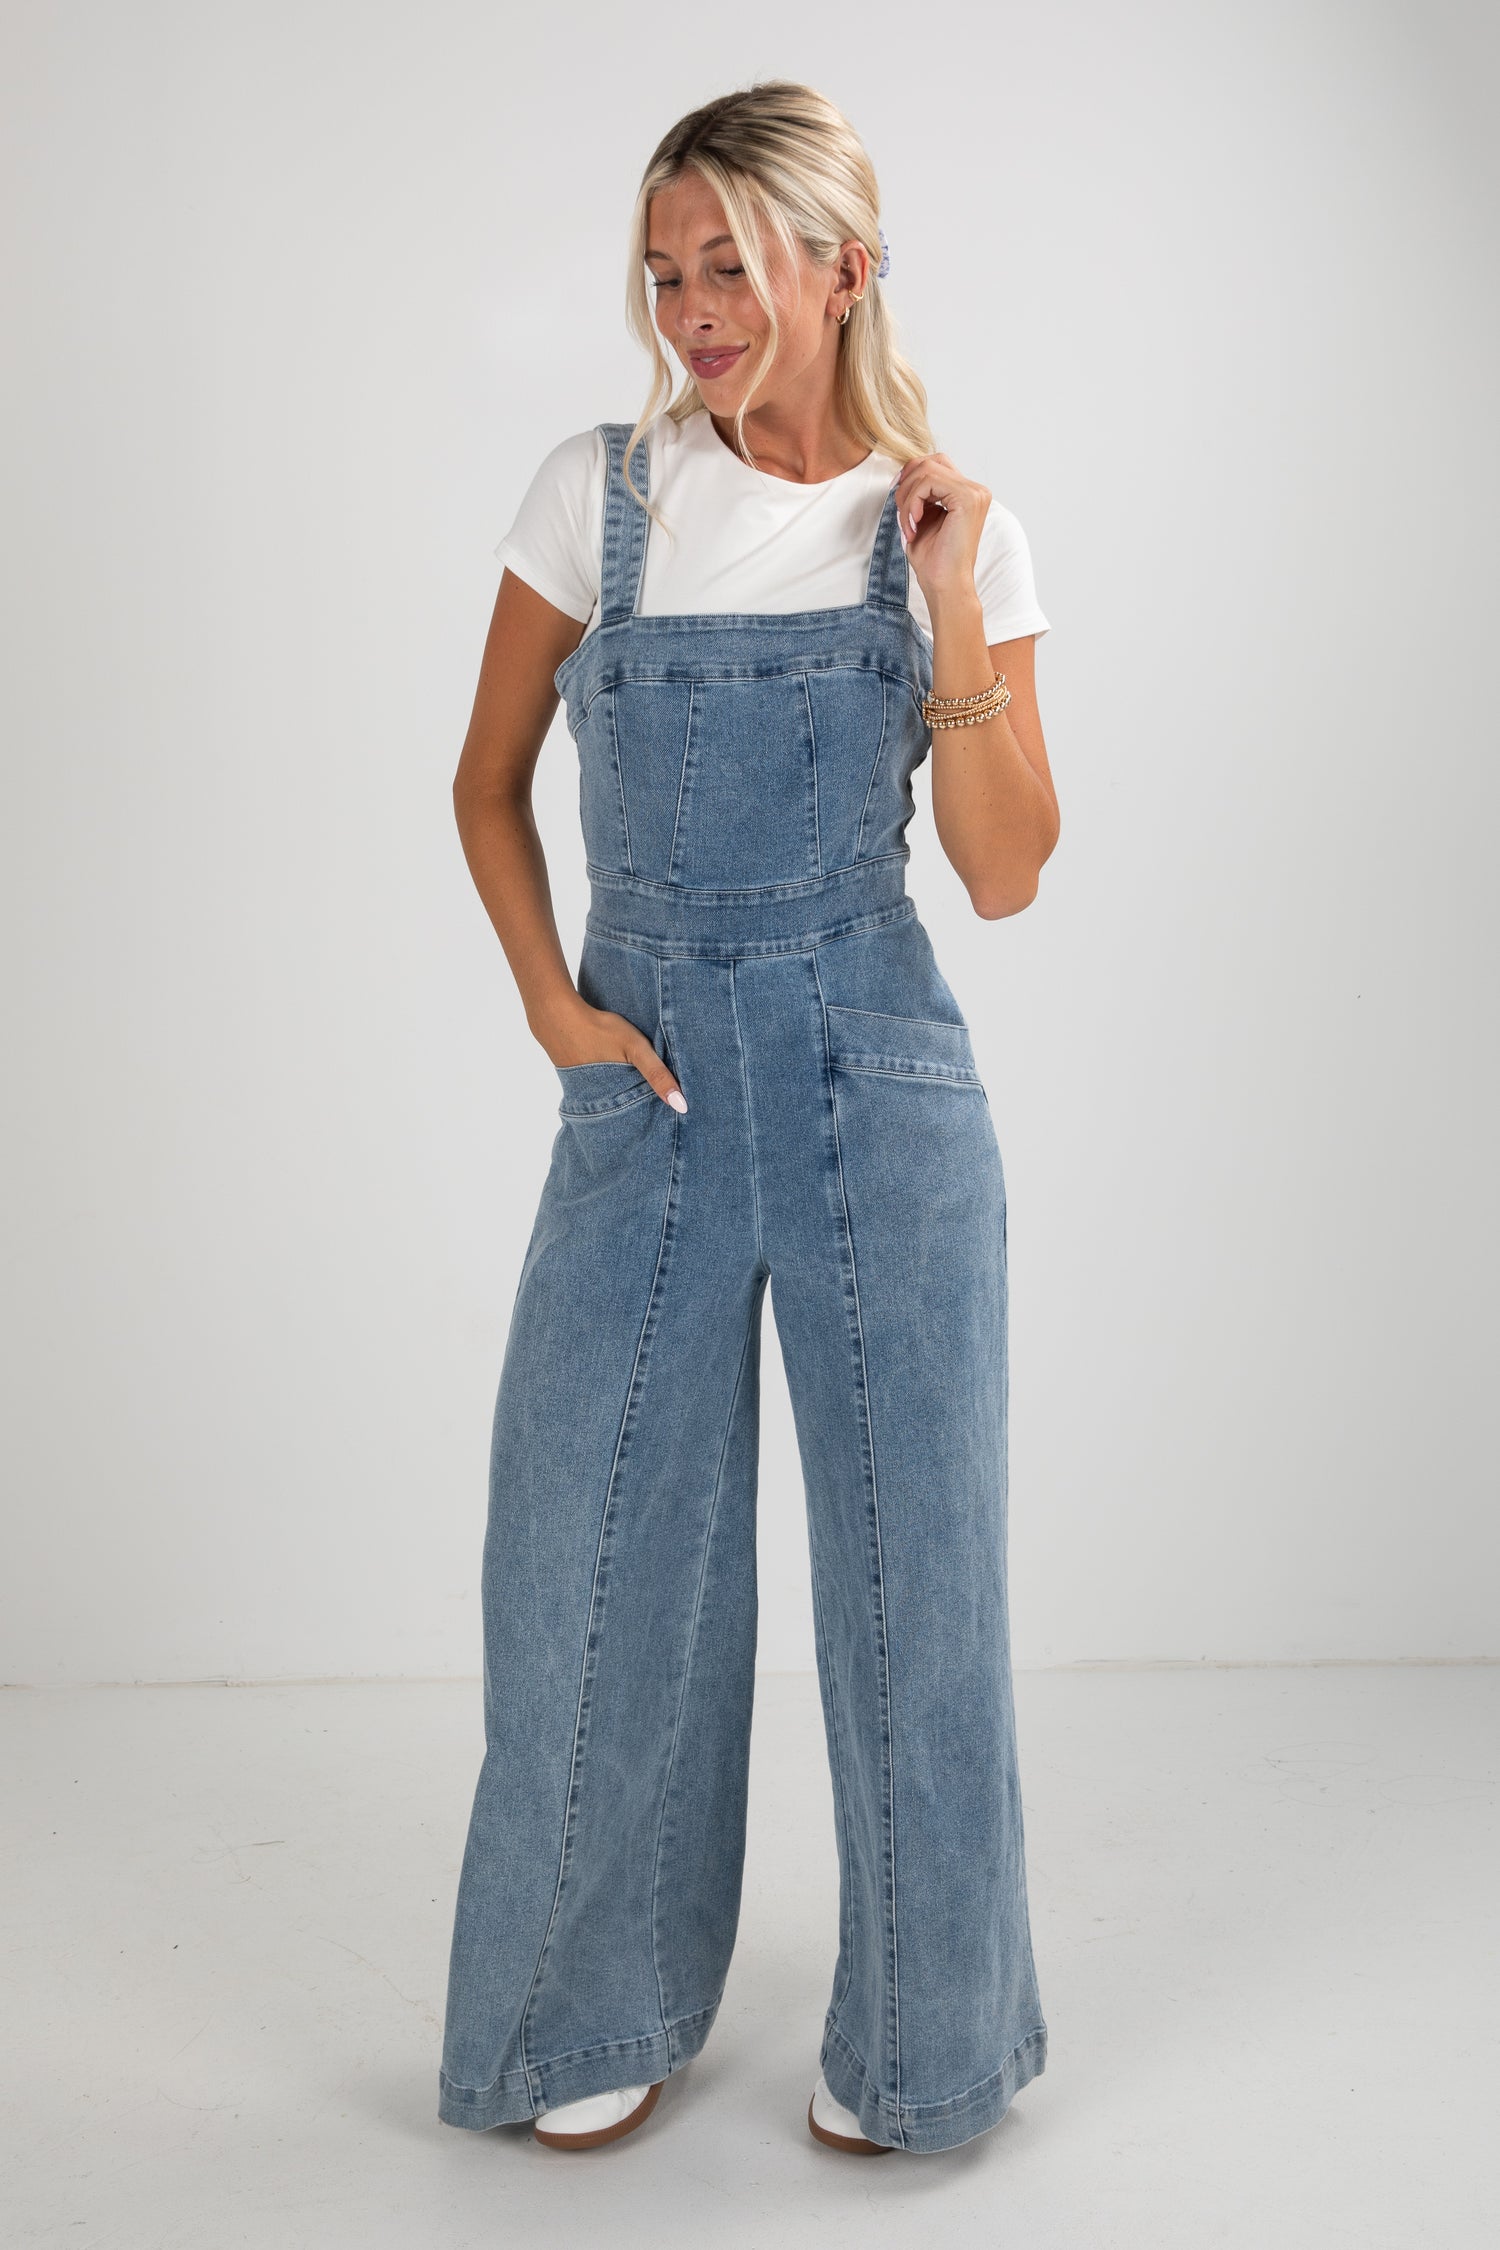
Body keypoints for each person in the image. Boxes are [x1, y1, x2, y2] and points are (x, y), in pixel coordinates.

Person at [438, 79, 1060, 2159]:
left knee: (916, 1583)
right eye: (665, 266)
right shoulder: (599, 495)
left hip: (879, 1073)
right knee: (594, 1563)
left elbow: (1005, 868)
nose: (691, 305)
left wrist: (957, 608)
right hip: (650, 1080)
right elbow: (483, 780)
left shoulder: (946, 522)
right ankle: (586, 2001)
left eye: (731, 261)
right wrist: (554, 1007)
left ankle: (923, 2043)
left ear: (840, 268)